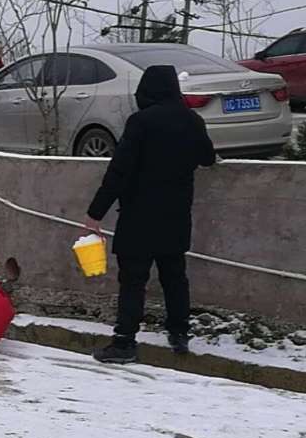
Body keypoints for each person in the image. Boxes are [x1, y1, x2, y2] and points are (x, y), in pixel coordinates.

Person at [85, 64, 217, 365]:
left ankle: (124, 343)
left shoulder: (141, 122)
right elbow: (208, 158)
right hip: (176, 215)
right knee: (175, 277)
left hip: (139, 216)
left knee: (133, 281)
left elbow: (118, 171)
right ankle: (180, 334)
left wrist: (95, 214)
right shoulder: (192, 120)